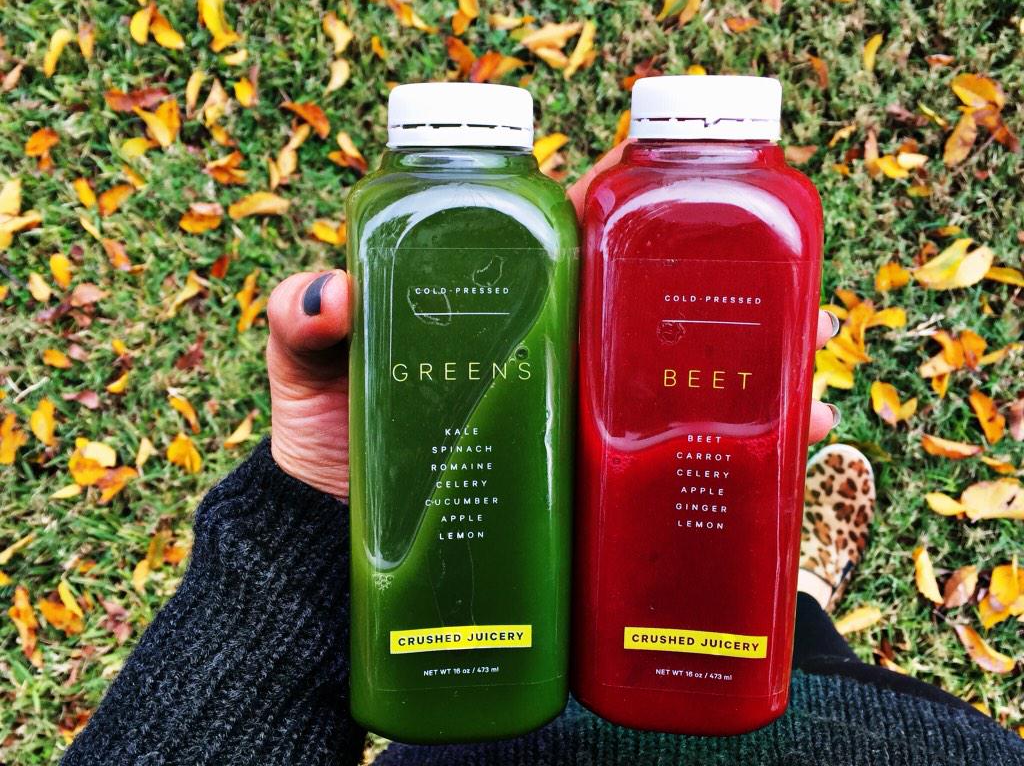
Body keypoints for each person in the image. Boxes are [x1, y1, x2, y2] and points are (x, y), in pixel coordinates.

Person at [61, 146, 1024, 766]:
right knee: (812, 653)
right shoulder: (402, 212)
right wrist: (326, 488)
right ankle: (801, 604)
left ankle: (784, 597)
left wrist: (292, 531)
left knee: (669, 490)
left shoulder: (752, 208)